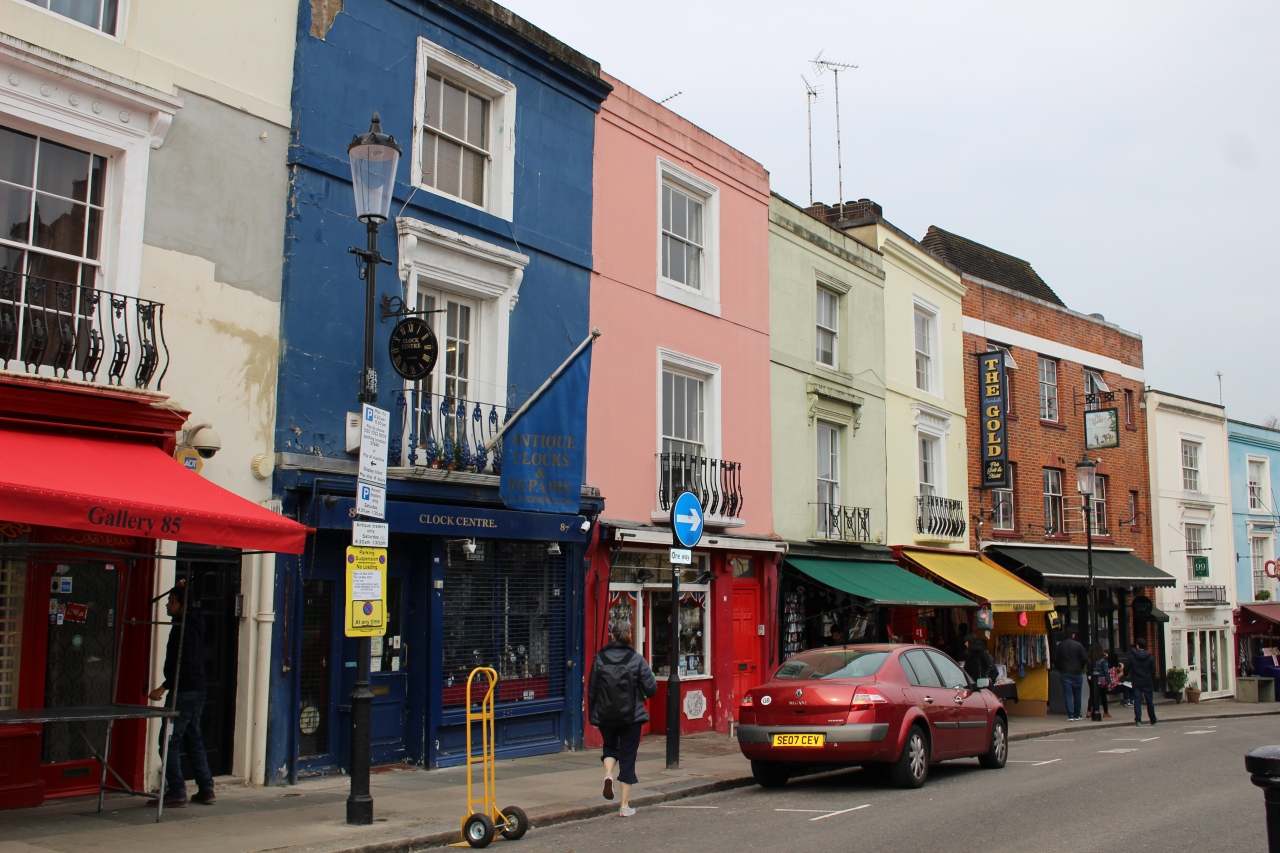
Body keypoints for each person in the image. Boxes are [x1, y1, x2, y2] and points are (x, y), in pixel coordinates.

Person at [147, 580, 214, 807]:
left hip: (184, 692)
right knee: (193, 738)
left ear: (183, 606)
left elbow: (182, 663)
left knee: (168, 742)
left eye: (172, 602)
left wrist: (164, 687)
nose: (167, 605)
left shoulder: (182, 629)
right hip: (197, 689)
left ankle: (176, 790)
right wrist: (185, 587)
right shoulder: (195, 623)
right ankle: (206, 788)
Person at [588, 621, 656, 817]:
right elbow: (651, 689)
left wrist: (594, 715)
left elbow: (592, 690)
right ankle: (624, 806)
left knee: (610, 746)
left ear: (612, 637)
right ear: (629, 636)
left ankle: (608, 774)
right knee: (628, 757)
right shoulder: (637, 659)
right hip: (631, 717)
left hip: (606, 715)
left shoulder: (599, 659)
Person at [1054, 629, 1089, 722]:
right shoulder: (1078, 645)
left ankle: (1070, 715)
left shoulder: (1060, 646)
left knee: (1067, 694)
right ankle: (1077, 714)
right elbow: (1085, 658)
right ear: (1073, 635)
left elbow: (1055, 659)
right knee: (1077, 694)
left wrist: (1060, 668)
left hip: (1065, 672)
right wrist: (1080, 667)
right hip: (1077, 672)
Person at [1128, 638, 1159, 727]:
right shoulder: (1150, 656)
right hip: (1147, 681)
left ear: (1137, 645)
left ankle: (1138, 720)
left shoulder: (1132, 656)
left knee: (1137, 700)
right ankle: (1152, 719)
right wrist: (1151, 678)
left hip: (1136, 681)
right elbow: (1153, 670)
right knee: (1149, 701)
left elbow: (1127, 667)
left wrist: (1127, 674)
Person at [1087, 645, 1112, 719]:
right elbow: (1106, 670)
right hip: (1101, 679)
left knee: (1092, 695)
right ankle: (1106, 712)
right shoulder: (1103, 659)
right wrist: (1108, 681)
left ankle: (1089, 711)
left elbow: (1088, 670)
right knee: (1103, 695)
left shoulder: (1089, 659)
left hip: (1091, 678)